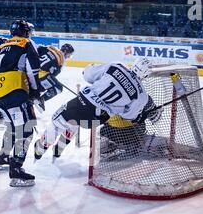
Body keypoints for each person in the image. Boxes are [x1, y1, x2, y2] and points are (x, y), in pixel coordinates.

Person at [34, 58, 163, 160]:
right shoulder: (142, 95)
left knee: (58, 121)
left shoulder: (117, 66)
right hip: (98, 118)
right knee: (76, 122)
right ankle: (58, 149)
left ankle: (40, 148)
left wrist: (88, 70)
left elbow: (89, 75)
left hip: (82, 103)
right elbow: (129, 116)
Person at [0, 20, 41, 187]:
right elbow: (33, 69)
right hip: (15, 89)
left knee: (12, 127)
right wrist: (35, 91)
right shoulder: (26, 42)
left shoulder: (1, 44)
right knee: (26, 129)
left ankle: (3, 157)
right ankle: (16, 170)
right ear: (25, 32)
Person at [35, 43, 75, 112]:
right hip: (40, 76)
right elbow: (53, 74)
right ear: (65, 52)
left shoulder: (49, 48)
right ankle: (41, 99)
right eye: (69, 54)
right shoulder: (62, 61)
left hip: (30, 71)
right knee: (58, 88)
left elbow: (37, 50)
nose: (69, 57)